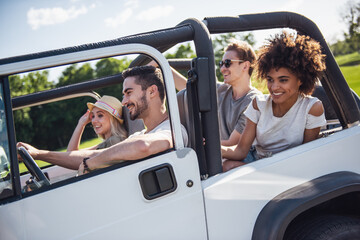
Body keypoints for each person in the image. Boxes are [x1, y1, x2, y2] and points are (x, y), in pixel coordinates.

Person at [17, 66, 188, 174]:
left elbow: (142, 146)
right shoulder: (141, 133)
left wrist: (92, 163)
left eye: (128, 93)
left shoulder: (171, 130)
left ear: (152, 92)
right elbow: (92, 154)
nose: (124, 102)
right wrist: (38, 154)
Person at [221, 31, 327, 172]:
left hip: (291, 166)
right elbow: (240, 151)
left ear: (300, 79)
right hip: (258, 163)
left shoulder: (312, 108)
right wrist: (210, 148)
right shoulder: (258, 104)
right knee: (226, 165)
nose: (274, 87)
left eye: (283, 80)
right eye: (270, 80)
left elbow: (307, 155)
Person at [166, 40, 262, 146]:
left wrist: (202, 143)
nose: (222, 69)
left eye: (227, 63)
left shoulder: (253, 101)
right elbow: (188, 89)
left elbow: (233, 143)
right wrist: (162, 65)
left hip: (241, 160)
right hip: (219, 157)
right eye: (221, 64)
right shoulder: (222, 90)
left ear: (245, 66)